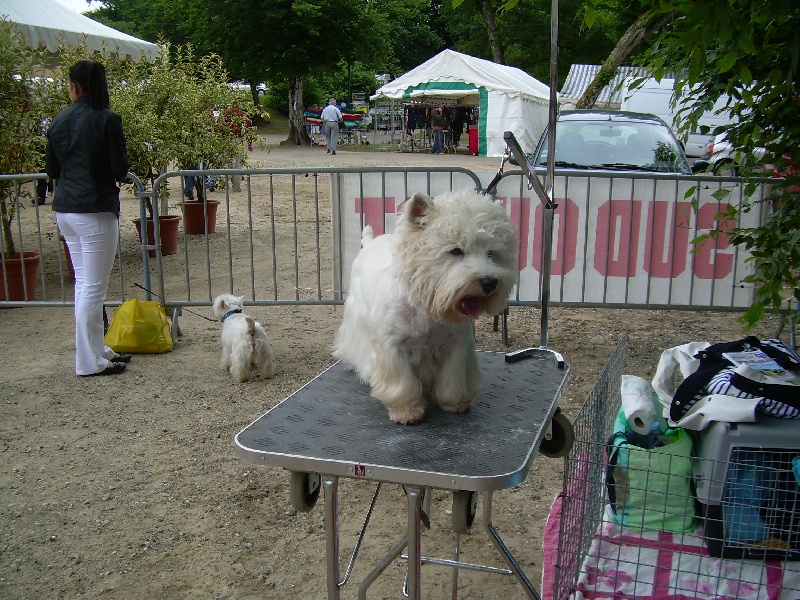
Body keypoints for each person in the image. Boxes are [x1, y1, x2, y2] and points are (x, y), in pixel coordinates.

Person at [46, 60, 132, 377]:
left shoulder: (58, 121)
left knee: (87, 285)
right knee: (93, 288)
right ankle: (88, 360)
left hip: (66, 209)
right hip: (95, 209)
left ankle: (97, 350)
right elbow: (119, 169)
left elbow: (52, 171)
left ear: (75, 86)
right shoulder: (108, 119)